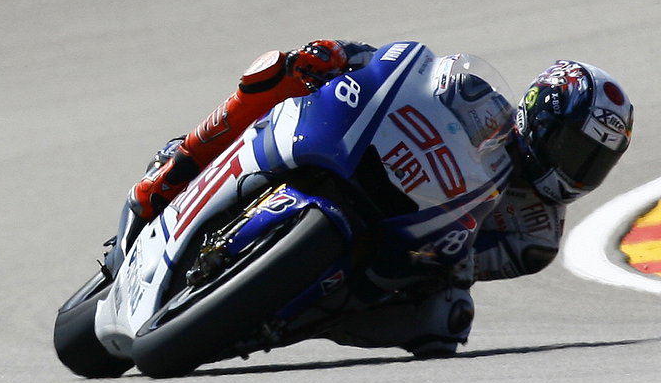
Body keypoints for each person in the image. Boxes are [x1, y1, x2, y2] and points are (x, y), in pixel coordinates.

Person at [126, 39, 635, 357]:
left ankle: (279, 324)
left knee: (445, 325)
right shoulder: (482, 97)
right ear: (540, 117)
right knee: (282, 70)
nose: (575, 167)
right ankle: (177, 168)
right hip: (378, 174)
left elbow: (471, 269)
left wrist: (450, 267)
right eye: (574, 148)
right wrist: (346, 57)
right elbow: (404, 77)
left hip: (408, 253)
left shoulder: (537, 236)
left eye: (593, 161)